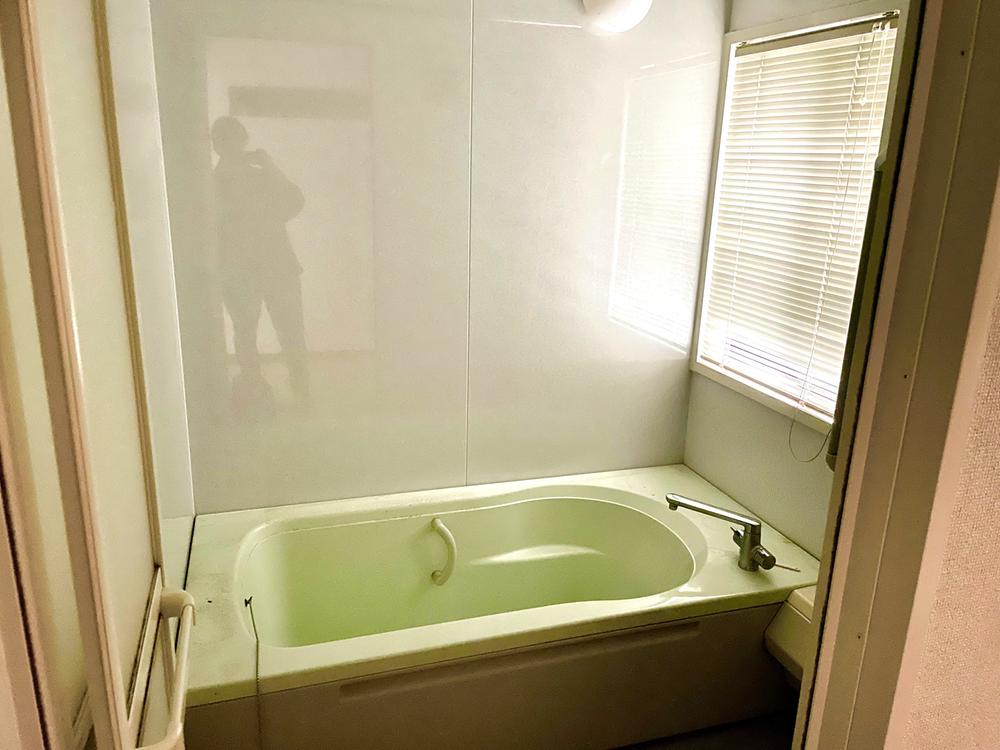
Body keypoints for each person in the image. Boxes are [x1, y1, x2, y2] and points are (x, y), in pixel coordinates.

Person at [211, 116, 309, 412]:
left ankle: (301, 391)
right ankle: (255, 392)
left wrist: (271, 168)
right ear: (218, 146)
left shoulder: (261, 175)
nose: (236, 147)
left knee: (290, 331)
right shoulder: (212, 183)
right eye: (228, 141)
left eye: (238, 140)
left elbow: (294, 202)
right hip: (240, 269)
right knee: (246, 333)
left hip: (276, 266)